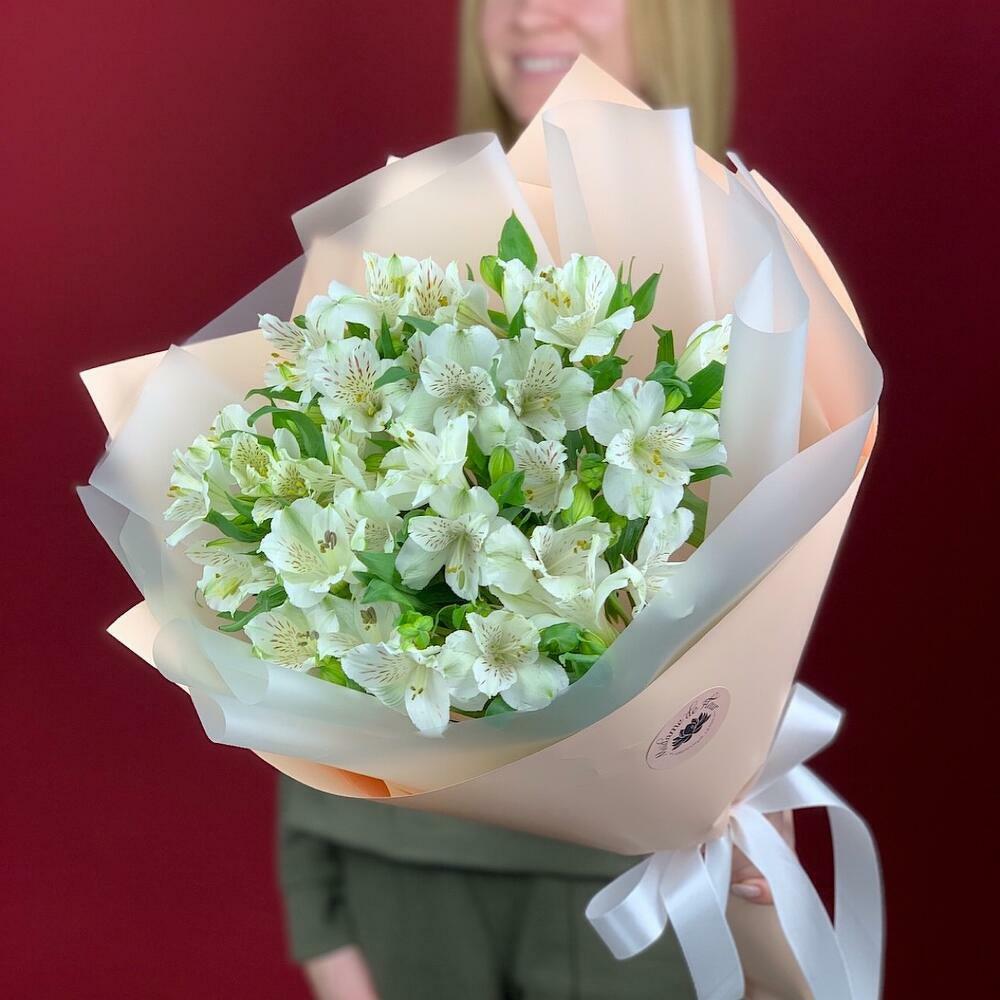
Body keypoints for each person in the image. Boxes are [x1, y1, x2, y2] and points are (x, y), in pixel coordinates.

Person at [279, 3, 760, 998]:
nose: (529, 14)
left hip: (633, 878)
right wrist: (316, 904)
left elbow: (763, 591)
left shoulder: (750, 255)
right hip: (398, 863)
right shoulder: (410, 240)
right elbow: (311, 583)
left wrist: (751, 790)